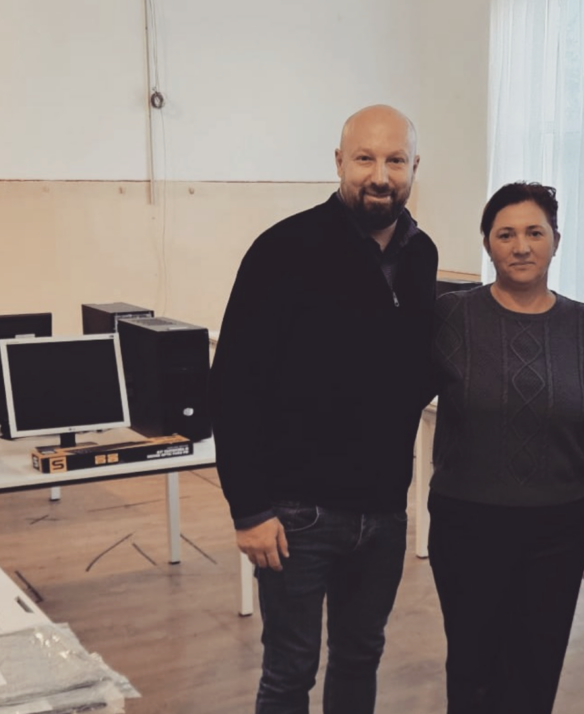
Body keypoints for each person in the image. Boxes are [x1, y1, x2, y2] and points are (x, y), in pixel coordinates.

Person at [210, 105, 438, 714]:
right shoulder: (283, 249)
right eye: (365, 158)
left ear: (414, 166)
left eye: (395, 160)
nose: (380, 176)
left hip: (383, 513)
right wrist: (249, 508)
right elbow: (233, 384)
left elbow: (409, 368)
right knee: (290, 671)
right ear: (339, 162)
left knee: (360, 658)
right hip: (297, 514)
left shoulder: (422, 255)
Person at [428, 182, 584, 714]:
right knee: (471, 669)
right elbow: (393, 392)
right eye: (506, 234)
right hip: (466, 526)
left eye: (534, 233)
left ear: (556, 241)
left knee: (535, 672)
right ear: (488, 244)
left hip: (557, 532)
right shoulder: (452, 317)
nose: (521, 246)